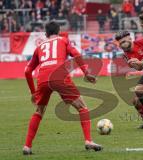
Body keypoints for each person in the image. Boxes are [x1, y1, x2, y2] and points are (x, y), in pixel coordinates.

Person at [23, 21, 103, 155]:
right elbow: (76, 54)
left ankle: (27, 146)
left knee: (39, 112)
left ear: (45, 34)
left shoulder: (39, 47)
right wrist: (86, 73)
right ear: (59, 31)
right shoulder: (64, 40)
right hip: (60, 75)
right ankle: (88, 141)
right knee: (82, 107)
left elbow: (27, 71)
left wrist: (33, 92)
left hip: (42, 78)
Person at [115, 31, 143, 128]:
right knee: (136, 101)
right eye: (120, 43)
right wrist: (137, 63)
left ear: (130, 39)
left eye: (124, 41)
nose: (123, 44)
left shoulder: (142, 42)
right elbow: (138, 68)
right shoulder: (125, 55)